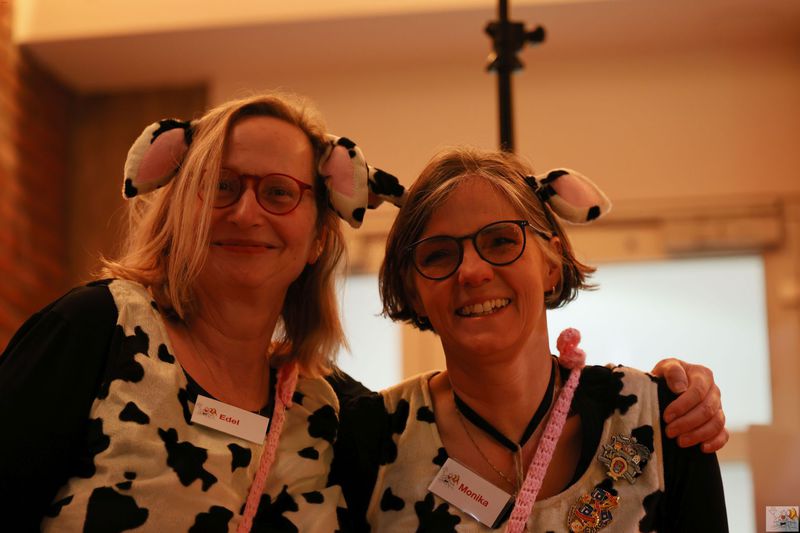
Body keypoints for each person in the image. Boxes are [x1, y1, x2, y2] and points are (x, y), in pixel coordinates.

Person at [0, 92, 724, 532]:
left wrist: (682, 386)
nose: (247, 212)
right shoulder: (97, 334)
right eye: (220, 185)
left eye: (278, 192)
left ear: (320, 231)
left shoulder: (321, 410)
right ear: (411, 290)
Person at [335, 147, 728, 531]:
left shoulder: (661, 420)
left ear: (551, 265)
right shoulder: (369, 437)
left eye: (501, 241)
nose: (472, 272)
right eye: (438, 254)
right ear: (414, 292)